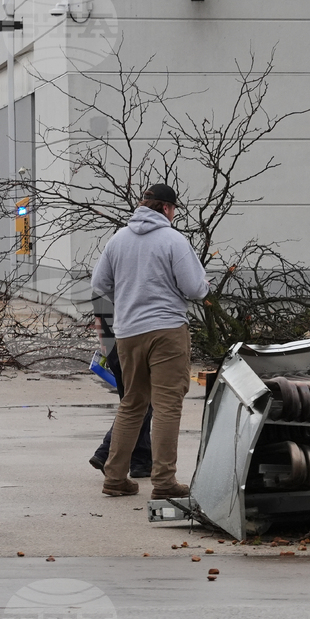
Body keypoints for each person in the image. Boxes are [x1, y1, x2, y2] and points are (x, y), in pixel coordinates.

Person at [90, 184, 209, 498]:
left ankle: (115, 477)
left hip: (128, 332)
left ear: (144, 205)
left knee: (132, 404)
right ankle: (164, 481)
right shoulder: (173, 240)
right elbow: (195, 288)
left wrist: (129, 298)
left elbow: (99, 283)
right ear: (168, 209)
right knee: (168, 405)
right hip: (167, 330)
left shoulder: (119, 239)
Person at [88, 294, 152, 479]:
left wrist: (106, 346)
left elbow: (100, 314)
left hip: (116, 346)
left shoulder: (105, 279)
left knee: (135, 403)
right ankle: (106, 451)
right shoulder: (130, 279)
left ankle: (141, 461)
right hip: (131, 343)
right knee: (137, 405)